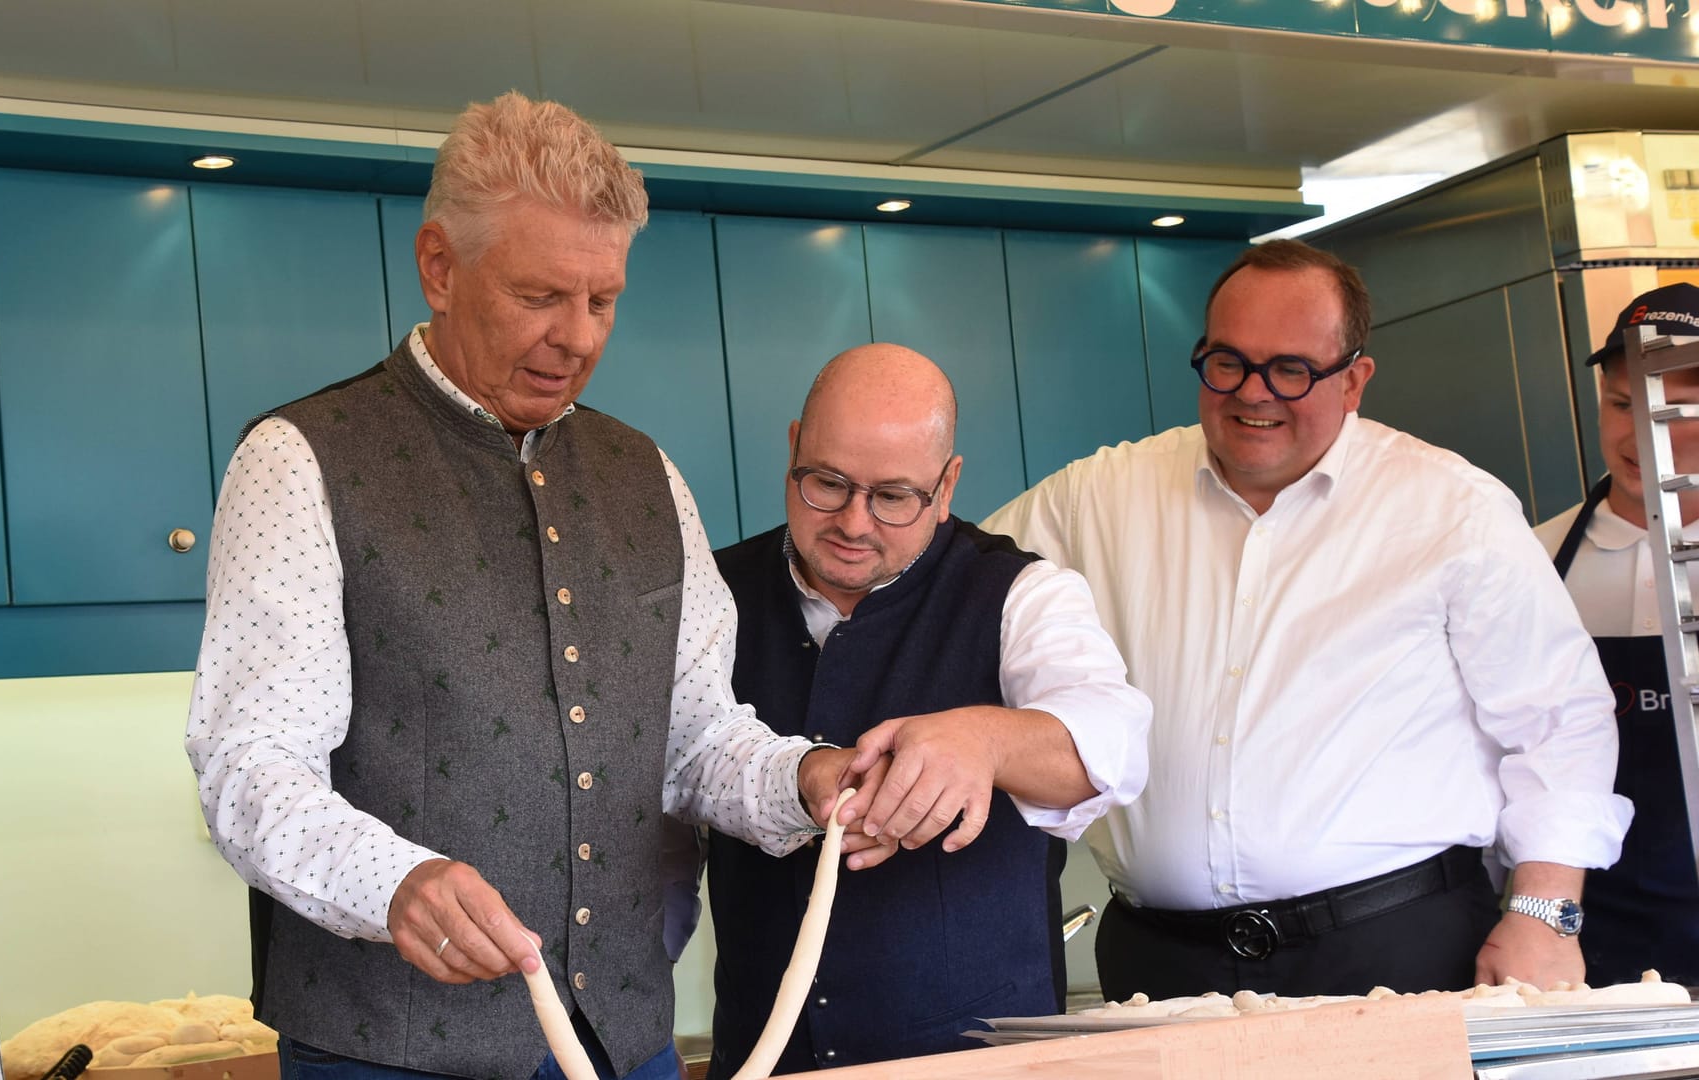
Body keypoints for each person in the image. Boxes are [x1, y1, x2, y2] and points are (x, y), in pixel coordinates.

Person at [185, 92, 871, 1080]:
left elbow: (694, 742)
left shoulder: (649, 477)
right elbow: (251, 766)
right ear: (439, 267)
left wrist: (806, 781)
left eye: (603, 301)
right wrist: (399, 882)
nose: (578, 338)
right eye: (541, 296)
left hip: (622, 1043)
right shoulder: (303, 460)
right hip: (392, 1055)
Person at [983, 239, 1631, 1001]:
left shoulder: (1452, 507)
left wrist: (1544, 918)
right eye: (1228, 362)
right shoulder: (1095, 497)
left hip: (1393, 957)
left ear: (1355, 379)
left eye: (1292, 369)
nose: (1253, 393)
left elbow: (1560, 721)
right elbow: (946, 585)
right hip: (1161, 967)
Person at [705, 344, 1151, 1076]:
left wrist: (987, 741)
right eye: (827, 482)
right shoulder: (712, 594)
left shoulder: (1020, 593)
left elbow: (1114, 741)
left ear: (947, 485)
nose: (854, 522)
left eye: (894, 496)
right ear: (792, 447)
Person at [1535, 281, 1699, 987]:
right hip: (1580, 933)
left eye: (1671, 410)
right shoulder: (1533, 557)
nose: (1637, 436)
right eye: (1621, 404)